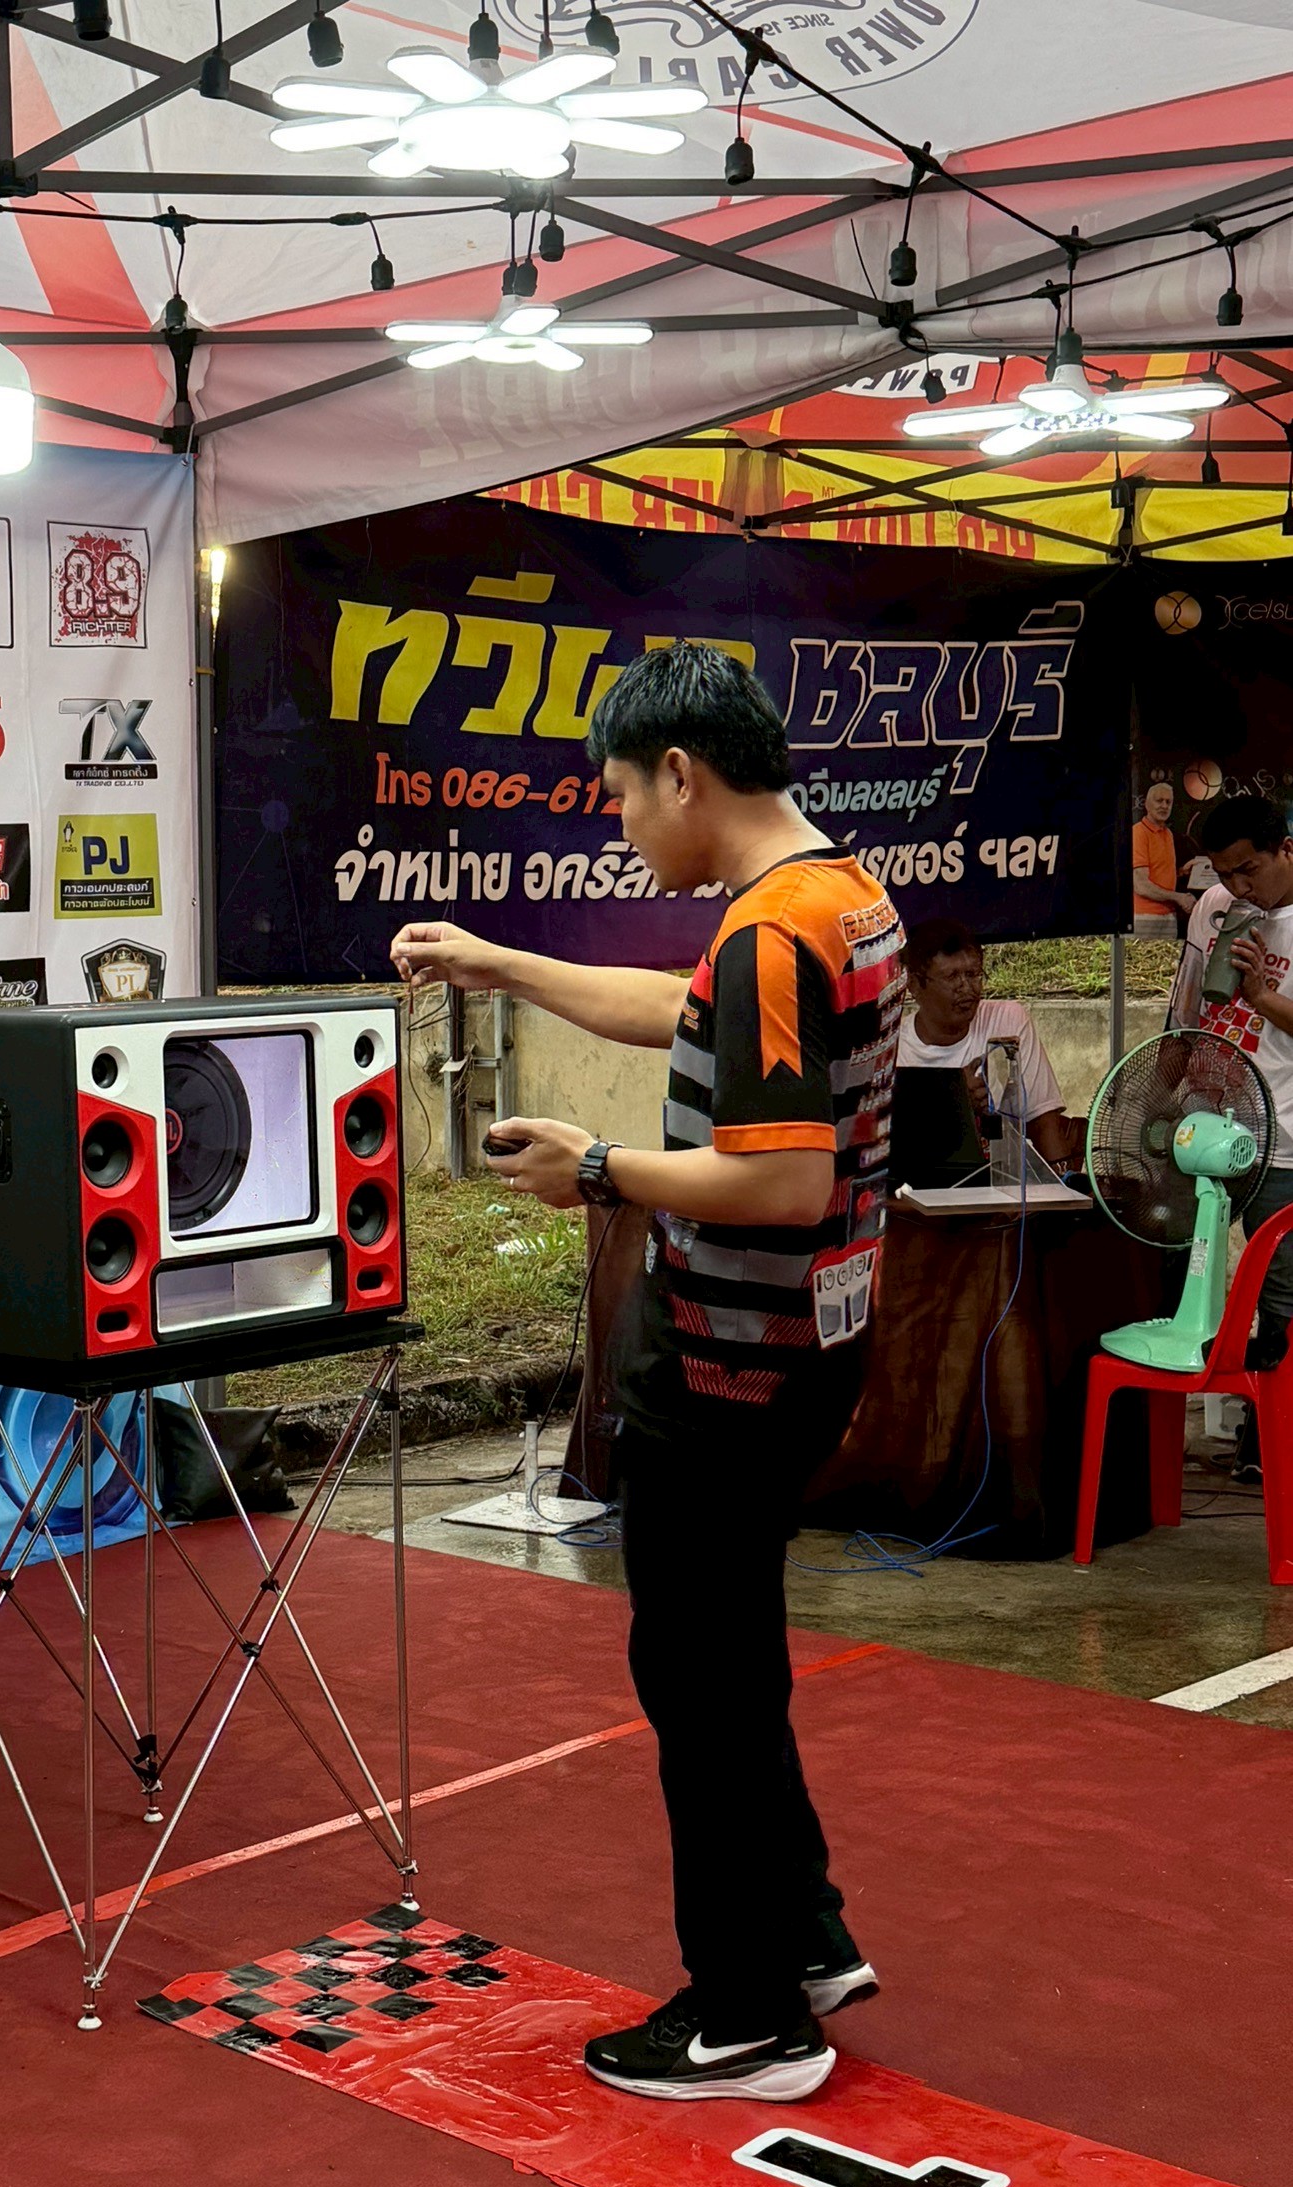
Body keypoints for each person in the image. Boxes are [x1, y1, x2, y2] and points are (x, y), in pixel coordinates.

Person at [389, 642, 903, 2105]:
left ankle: (744, 2016)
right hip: (804, 1349)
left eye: (621, 794)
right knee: (731, 1661)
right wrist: (496, 961)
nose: (619, 824)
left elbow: (782, 1181)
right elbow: (674, 1012)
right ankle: (799, 1936)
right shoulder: (831, 898)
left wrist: (597, 1167)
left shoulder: (772, 936)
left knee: (698, 1677)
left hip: (732, 1367)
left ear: (681, 774)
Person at [1170, 791, 1293, 1478]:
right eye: (1224, 873)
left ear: (1286, 850)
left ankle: (1272, 1441)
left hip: (1287, 1142)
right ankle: (1252, 1429)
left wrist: (1261, 998)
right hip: (1220, 1134)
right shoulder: (1219, 908)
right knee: (1207, 1281)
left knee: (1282, 1297)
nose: (1239, 886)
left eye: (1250, 869)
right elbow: (1189, 1002)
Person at [897, 917, 1076, 1168]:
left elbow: (1043, 1119)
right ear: (914, 985)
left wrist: (1064, 1180)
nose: (967, 988)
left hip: (1002, 1182)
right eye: (952, 977)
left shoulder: (1007, 1021)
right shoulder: (894, 1048)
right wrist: (957, 1104)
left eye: (973, 974)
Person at [1133, 778, 1198, 938]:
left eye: (1168, 802)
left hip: (1168, 917)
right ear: (1146, 804)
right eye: (1159, 800)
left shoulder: (1168, 834)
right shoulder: (1138, 833)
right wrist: (1179, 898)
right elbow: (1141, 885)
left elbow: (1157, 874)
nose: (1164, 806)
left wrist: (1182, 872)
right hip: (1144, 917)